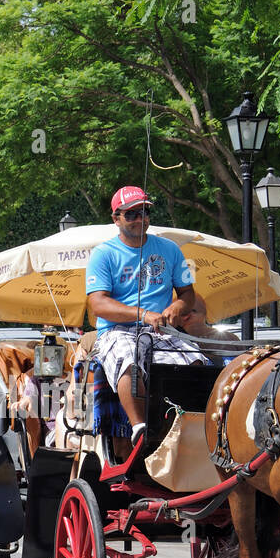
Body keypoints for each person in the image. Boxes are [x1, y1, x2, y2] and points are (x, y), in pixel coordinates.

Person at [85, 184, 204, 445]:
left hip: (160, 330)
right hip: (116, 331)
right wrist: (144, 314)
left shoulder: (170, 249)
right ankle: (140, 430)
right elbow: (98, 304)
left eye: (144, 212)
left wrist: (176, 307)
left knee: (195, 361)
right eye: (131, 214)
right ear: (116, 219)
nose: (140, 219)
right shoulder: (103, 254)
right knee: (129, 359)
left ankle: (193, 427)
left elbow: (188, 294)